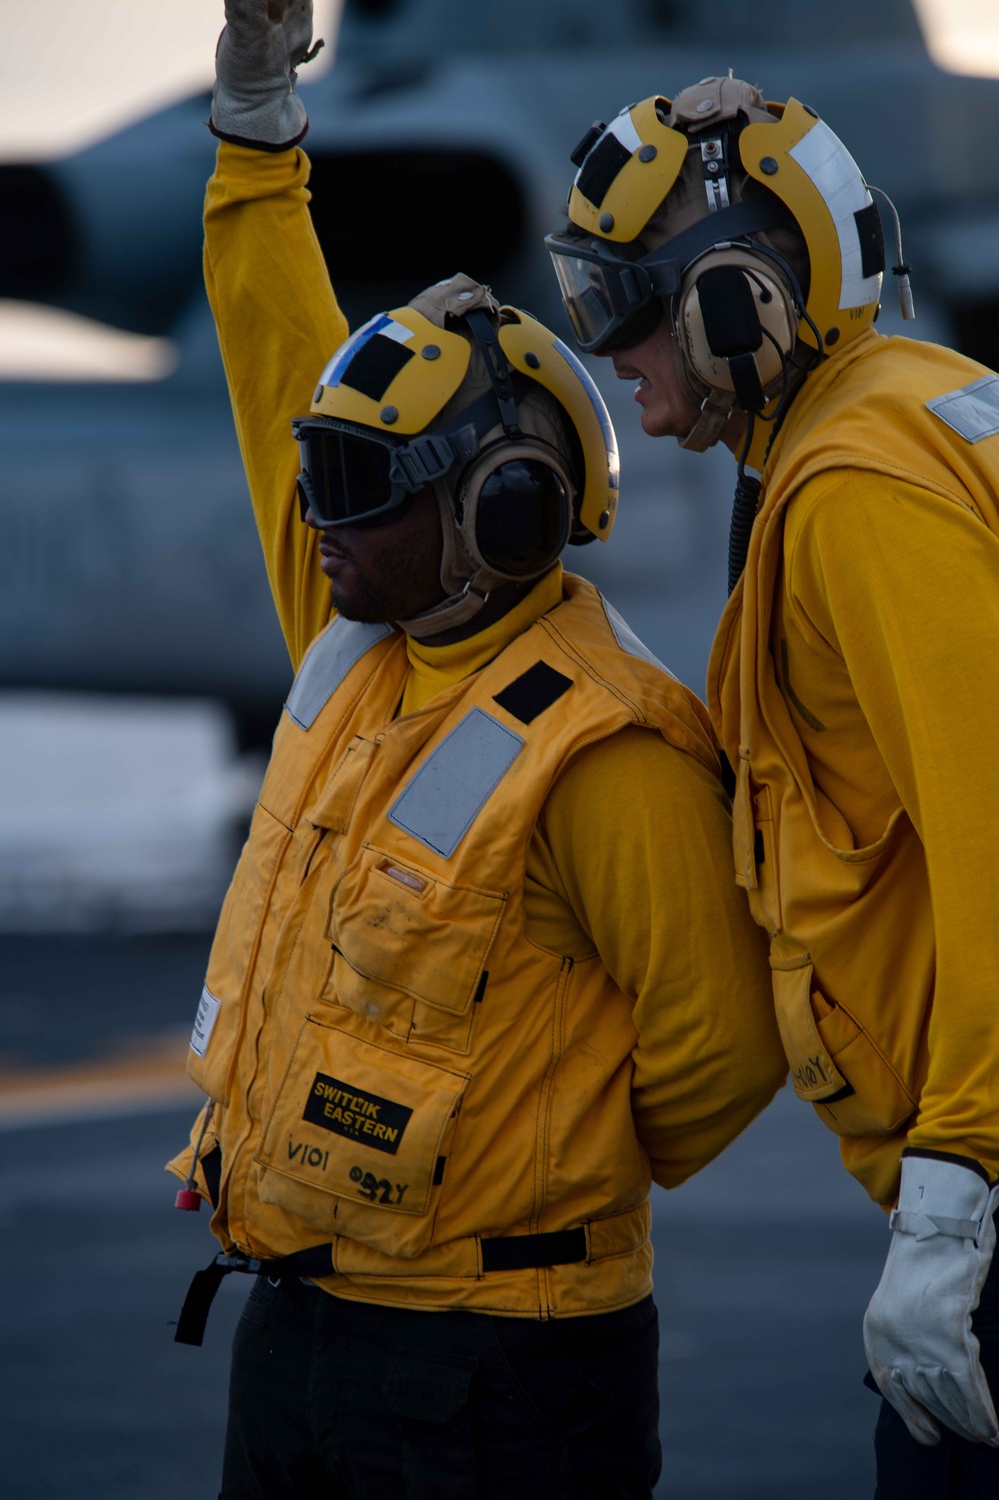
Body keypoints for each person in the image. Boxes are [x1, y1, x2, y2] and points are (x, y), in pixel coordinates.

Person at [167, 14, 786, 1497]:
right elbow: (272, 369)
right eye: (318, 479)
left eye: (356, 485)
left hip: (501, 1373)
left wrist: (528, 1165)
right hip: (301, 1332)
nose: (314, 516)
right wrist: (258, 132)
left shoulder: (606, 749)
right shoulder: (355, 636)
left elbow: (721, 1052)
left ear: (500, 510)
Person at [546, 74, 999, 1497]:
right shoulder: (919, 404)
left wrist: (955, 1190)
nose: (606, 349)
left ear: (737, 301)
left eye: (625, 304)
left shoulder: (857, 489)